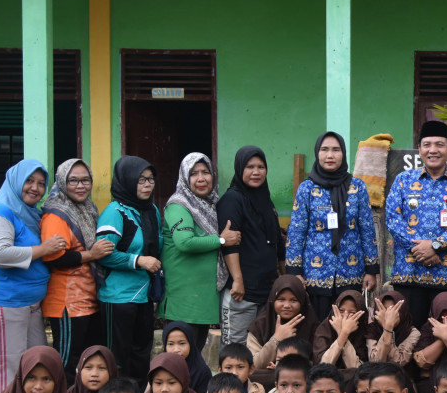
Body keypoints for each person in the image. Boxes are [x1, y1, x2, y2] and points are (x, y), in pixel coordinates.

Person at [0, 159, 65, 393]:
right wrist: (43, 250)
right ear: (15, 181)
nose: (35, 188)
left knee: (35, 364)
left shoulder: (31, 214)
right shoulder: (2, 211)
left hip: (30, 303)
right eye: (29, 181)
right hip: (5, 300)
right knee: (9, 369)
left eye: (41, 183)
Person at [384, 120, 447, 324]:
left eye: (439, 144)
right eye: (427, 144)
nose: (433, 150)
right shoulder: (404, 180)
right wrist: (421, 249)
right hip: (410, 276)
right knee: (407, 338)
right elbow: (393, 219)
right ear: (419, 149)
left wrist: (436, 246)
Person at [287, 131, 380, 322]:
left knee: (350, 328)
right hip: (316, 273)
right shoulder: (307, 188)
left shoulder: (358, 187)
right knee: (319, 327)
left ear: (343, 153)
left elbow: (367, 229)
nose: (330, 155)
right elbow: (296, 231)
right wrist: (295, 272)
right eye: (324, 149)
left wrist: (372, 269)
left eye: (336, 150)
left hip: (351, 271)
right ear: (317, 153)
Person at [41, 158, 112, 383]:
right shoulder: (57, 213)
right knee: (67, 365)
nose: (80, 186)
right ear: (62, 182)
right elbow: (54, 258)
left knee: (89, 363)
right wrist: (92, 255)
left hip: (87, 298)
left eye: (85, 180)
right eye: (73, 181)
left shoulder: (87, 208)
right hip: (67, 302)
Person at [159, 153, 239, 352]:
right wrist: (221, 240)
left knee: (193, 359)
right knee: (178, 360)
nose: (201, 178)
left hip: (202, 299)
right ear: (185, 177)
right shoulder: (179, 205)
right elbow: (184, 242)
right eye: (194, 174)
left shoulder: (210, 204)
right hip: (183, 299)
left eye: (206, 172)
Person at [96, 156, 163, 387]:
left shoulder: (151, 209)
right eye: (141, 180)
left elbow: (159, 243)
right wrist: (138, 260)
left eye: (151, 179)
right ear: (127, 181)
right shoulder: (115, 212)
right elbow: (104, 253)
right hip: (118, 298)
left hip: (143, 296)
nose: (147, 185)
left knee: (141, 355)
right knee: (118, 358)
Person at [218, 146, 285, 345]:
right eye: (250, 167)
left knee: (259, 346)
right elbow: (230, 244)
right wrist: (237, 280)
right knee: (235, 347)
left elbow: (278, 242)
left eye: (261, 167)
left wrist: (285, 278)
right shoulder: (232, 200)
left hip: (266, 291)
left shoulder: (265, 199)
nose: (256, 172)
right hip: (242, 293)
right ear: (240, 169)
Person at [247, 275, 316, 389]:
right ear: (273, 300)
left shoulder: (311, 325)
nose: (287, 305)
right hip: (267, 382)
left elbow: (318, 364)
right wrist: (276, 338)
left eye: (293, 300)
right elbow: (254, 365)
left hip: (302, 383)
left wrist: (285, 368)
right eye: (281, 299)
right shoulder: (260, 326)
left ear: (302, 301)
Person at [312, 290, 368, 373]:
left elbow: (358, 369)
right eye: (341, 310)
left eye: (352, 312)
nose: (345, 315)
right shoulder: (326, 327)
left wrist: (343, 333)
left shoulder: (363, 331)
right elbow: (322, 367)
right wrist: (343, 334)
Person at [365, 289, 420, 367]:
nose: (388, 314)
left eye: (393, 309)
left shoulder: (412, 332)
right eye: (383, 309)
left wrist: (388, 328)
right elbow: (376, 363)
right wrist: (387, 328)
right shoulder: (372, 329)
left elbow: (398, 363)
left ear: (402, 311)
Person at [163, 321, 213, 393]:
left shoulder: (202, 372)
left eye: (182, 343)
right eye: (170, 344)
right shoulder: (160, 368)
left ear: (191, 344)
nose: (176, 349)